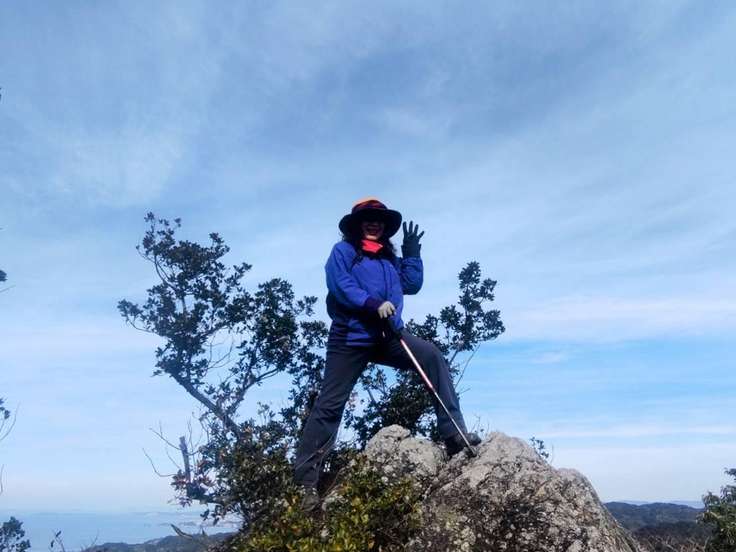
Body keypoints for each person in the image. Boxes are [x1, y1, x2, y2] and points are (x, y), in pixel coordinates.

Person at [292, 197, 481, 511]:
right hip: (350, 337)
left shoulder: (388, 259)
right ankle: (305, 485)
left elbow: (412, 284)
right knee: (329, 405)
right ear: (356, 224)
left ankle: (454, 435)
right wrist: (372, 304)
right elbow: (340, 284)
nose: (374, 223)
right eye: (367, 218)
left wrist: (412, 254)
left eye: (379, 219)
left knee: (431, 357)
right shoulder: (344, 252)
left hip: (386, 336)